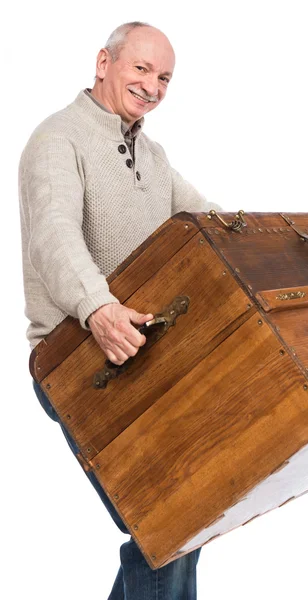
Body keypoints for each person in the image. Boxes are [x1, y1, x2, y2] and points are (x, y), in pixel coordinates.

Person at [19, 21, 221, 600]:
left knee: (177, 519)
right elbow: (54, 239)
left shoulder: (151, 154)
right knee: (166, 519)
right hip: (82, 362)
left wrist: (262, 245)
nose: (153, 86)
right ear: (103, 62)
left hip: (143, 353)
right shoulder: (57, 140)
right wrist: (98, 309)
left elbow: (204, 220)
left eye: (164, 77)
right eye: (141, 69)